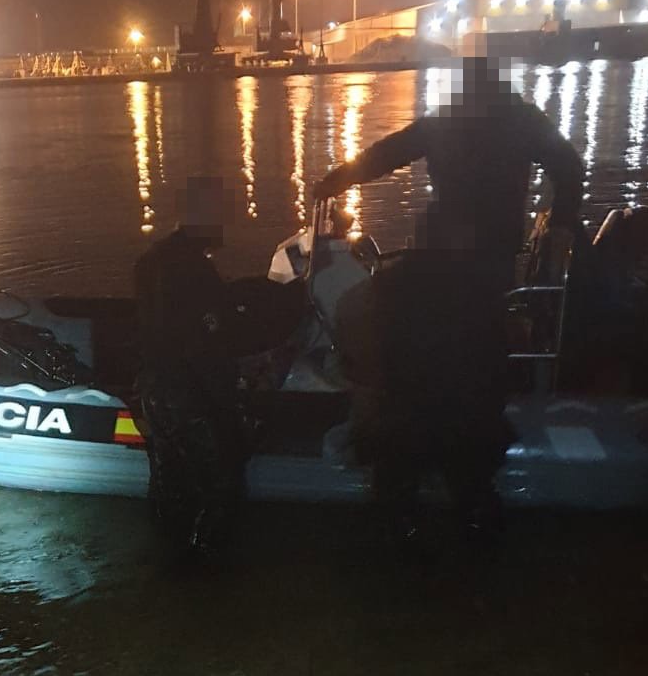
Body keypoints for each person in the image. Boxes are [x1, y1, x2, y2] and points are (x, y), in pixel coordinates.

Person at [313, 47, 585, 538]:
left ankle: (407, 477)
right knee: (466, 345)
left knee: (428, 333)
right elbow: (570, 167)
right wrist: (562, 221)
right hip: (478, 253)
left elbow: (389, 152)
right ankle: (467, 489)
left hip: (460, 253)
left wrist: (336, 180)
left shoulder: (452, 119)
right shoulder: (520, 119)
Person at [133, 177, 252, 556]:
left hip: (154, 389)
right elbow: (204, 343)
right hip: (188, 394)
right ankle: (207, 564)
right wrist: (229, 404)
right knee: (222, 482)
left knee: (168, 480)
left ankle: (166, 557)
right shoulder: (196, 272)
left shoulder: (151, 261)